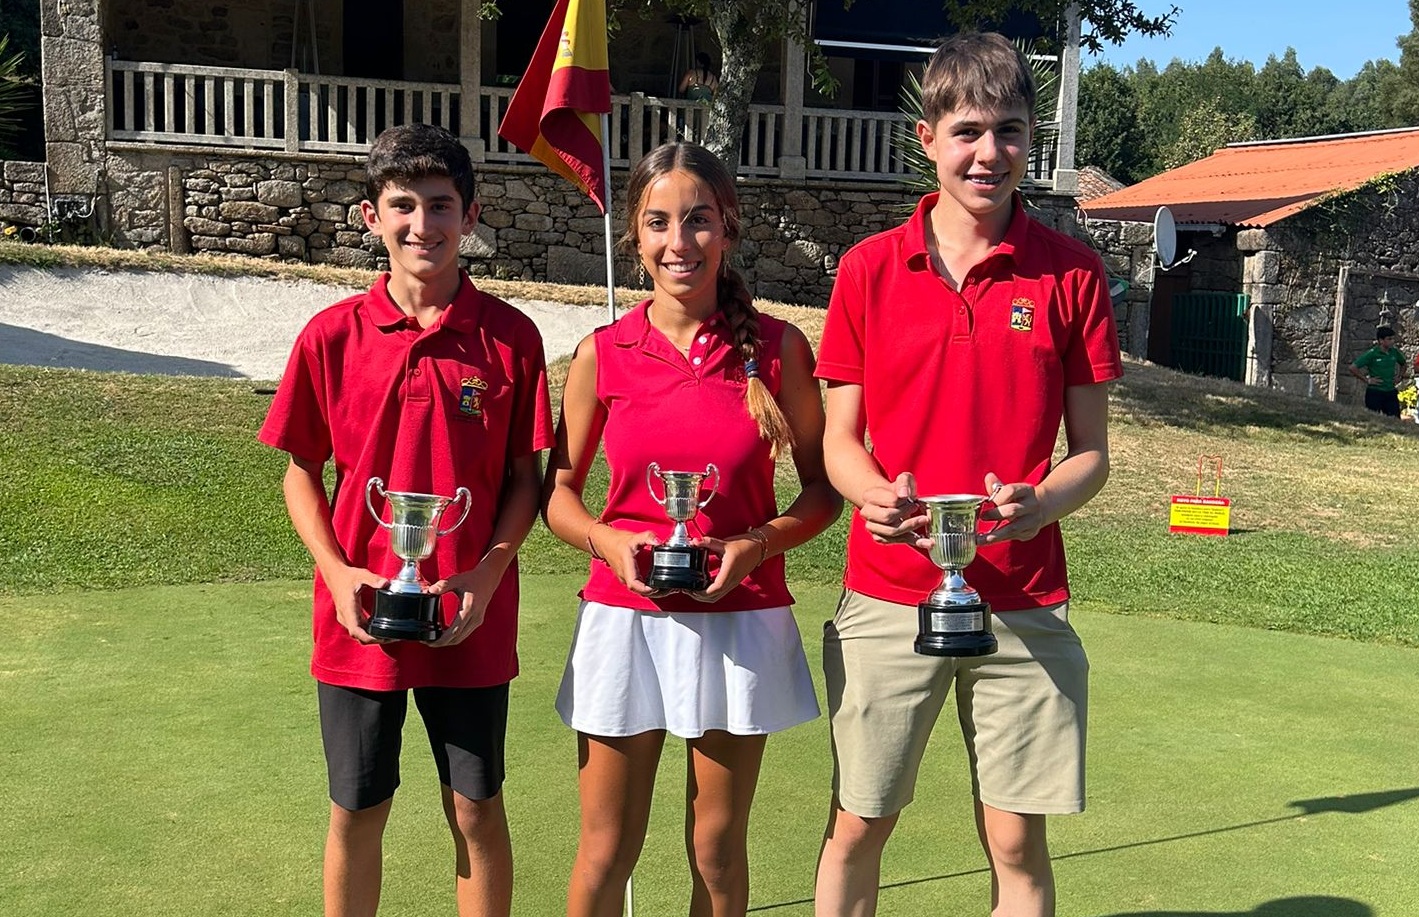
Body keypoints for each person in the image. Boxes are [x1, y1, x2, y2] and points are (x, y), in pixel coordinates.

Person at [812, 32, 1123, 917]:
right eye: (969, 131)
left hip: (1025, 592)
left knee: (1017, 840)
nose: (990, 153)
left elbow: (1091, 454)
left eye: (1012, 131)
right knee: (860, 822)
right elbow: (841, 438)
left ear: (1033, 138)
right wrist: (874, 496)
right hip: (885, 591)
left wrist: (1039, 506)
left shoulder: (1071, 273)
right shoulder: (868, 267)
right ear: (928, 138)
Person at [258, 122, 553, 917]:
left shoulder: (511, 338)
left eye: (440, 205)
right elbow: (299, 473)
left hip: (471, 615)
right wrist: (337, 569)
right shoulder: (330, 336)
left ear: (471, 214)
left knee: (476, 807)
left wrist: (488, 573)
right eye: (403, 206)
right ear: (370, 216)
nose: (422, 224)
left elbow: (528, 479)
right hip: (356, 616)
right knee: (357, 808)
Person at [543, 141, 841, 917]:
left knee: (715, 850)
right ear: (635, 238)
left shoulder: (778, 350)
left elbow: (820, 491)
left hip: (738, 622)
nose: (680, 242)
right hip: (624, 617)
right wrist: (606, 541)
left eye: (699, 220)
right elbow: (560, 494)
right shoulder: (600, 354)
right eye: (659, 222)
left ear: (729, 227)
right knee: (605, 852)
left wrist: (756, 545)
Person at [1349, 326, 1407, 417]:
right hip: (1375, 392)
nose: (1392, 341)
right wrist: (1367, 380)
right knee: (1373, 418)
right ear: (1381, 341)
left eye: (1393, 339)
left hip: (1390, 391)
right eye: (1389, 339)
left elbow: (1403, 364)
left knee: (1394, 419)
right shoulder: (1372, 353)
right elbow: (1353, 367)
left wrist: (1400, 376)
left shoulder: (1394, 352)